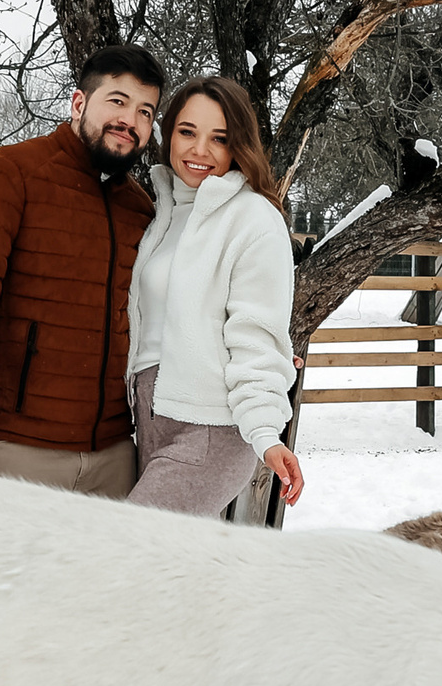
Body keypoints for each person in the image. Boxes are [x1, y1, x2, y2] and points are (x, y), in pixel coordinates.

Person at [0, 44, 168, 496]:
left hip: (114, 456)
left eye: (145, 111)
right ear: (79, 103)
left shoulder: (140, 210)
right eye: (116, 101)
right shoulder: (4, 176)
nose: (130, 120)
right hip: (12, 450)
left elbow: (166, 314)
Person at [124, 75, 306, 513]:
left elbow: (256, 337)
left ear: (237, 146)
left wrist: (266, 433)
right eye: (187, 132)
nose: (199, 150)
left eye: (218, 138)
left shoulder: (253, 220)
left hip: (211, 429)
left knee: (122, 552)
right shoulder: (164, 213)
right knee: (165, 569)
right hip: (150, 420)